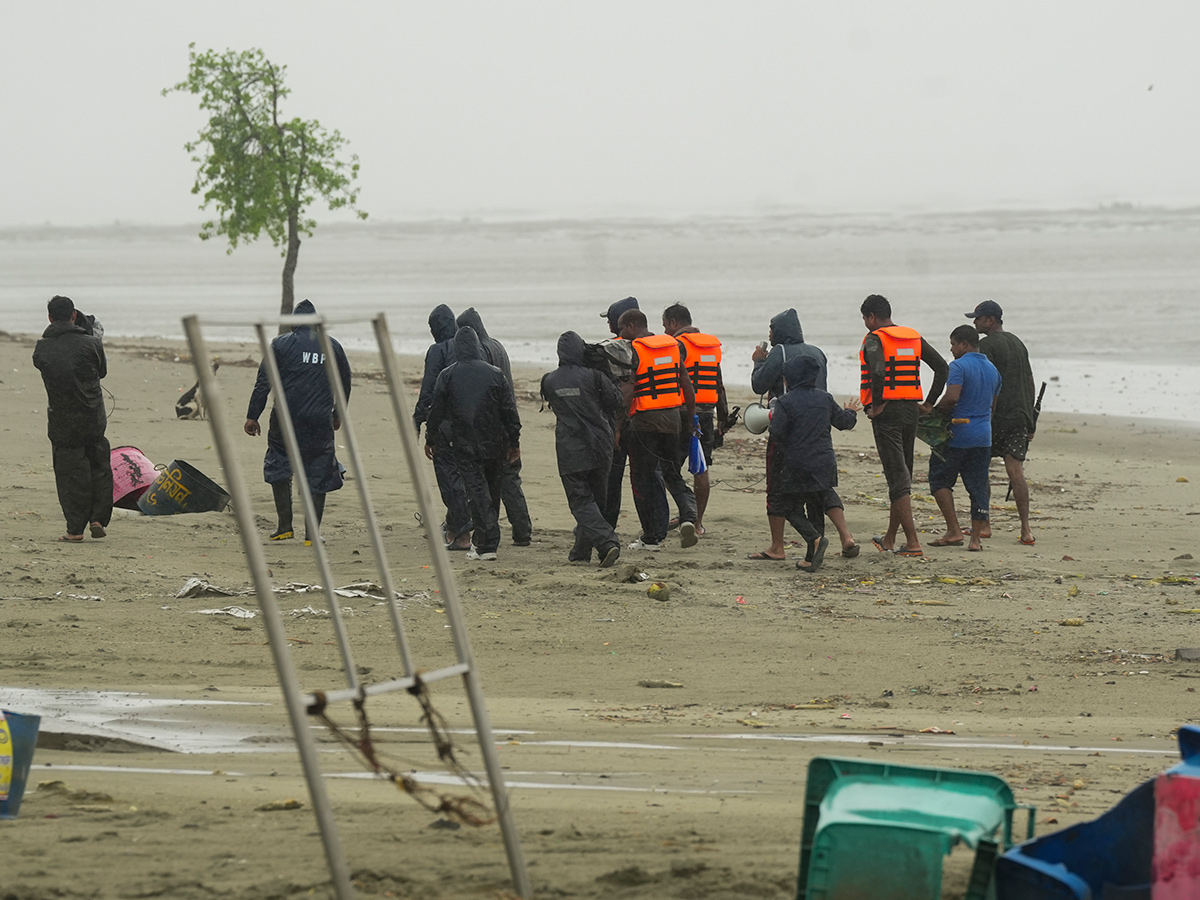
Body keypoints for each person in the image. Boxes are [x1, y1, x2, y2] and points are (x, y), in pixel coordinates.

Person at [748, 308, 859, 559]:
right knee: (821, 489)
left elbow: (758, 385)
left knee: (777, 490)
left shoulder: (780, 352)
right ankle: (845, 537)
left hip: (789, 432)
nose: (769, 333)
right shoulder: (817, 352)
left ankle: (778, 547)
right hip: (819, 429)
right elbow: (824, 391)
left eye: (771, 329)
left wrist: (758, 360)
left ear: (780, 332)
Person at [244, 299, 351, 545]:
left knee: (280, 463)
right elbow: (344, 384)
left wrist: (253, 415)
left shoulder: (280, 345)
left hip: (285, 419)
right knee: (319, 469)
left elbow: (264, 382)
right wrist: (338, 414)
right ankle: (312, 534)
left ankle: (284, 527)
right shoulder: (333, 347)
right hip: (319, 421)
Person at [859, 294, 948, 557]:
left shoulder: (875, 339)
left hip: (888, 412)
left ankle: (912, 542)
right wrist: (929, 403)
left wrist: (876, 404)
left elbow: (877, 371)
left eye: (865, 319)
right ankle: (889, 538)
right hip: (910, 408)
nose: (866, 324)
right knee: (903, 473)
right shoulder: (912, 337)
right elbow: (942, 368)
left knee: (898, 478)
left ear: (872, 317)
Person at [425, 326, 522, 561]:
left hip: (465, 443)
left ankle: (485, 545)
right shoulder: (495, 373)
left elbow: (436, 410)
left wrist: (431, 437)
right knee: (492, 491)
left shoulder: (448, 375)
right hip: (494, 443)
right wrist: (514, 441)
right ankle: (486, 542)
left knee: (477, 492)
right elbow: (509, 410)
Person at [32, 295, 113, 542]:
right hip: (93, 415)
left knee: (70, 473)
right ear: (74, 315)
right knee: (99, 465)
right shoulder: (92, 343)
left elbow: (49, 367)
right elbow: (102, 372)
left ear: (49, 318)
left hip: (62, 419)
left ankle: (75, 530)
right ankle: (98, 517)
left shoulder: (42, 348)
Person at [540, 331, 623, 567]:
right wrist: (609, 374)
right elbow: (616, 402)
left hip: (571, 449)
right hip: (600, 446)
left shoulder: (549, 381)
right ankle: (581, 551)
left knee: (581, 502)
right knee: (595, 501)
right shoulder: (595, 376)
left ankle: (607, 543)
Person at [617, 307, 698, 550]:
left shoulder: (634, 351)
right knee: (672, 474)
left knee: (642, 480)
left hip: (644, 423)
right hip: (673, 420)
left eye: (622, 329)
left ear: (632, 326)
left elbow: (630, 391)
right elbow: (687, 385)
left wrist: (618, 425)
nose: (620, 334)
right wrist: (691, 421)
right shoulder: (672, 346)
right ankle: (689, 517)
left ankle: (651, 538)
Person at [455, 308, 532, 546]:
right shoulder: (498, 346)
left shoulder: (481, 352)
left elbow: (482, 390)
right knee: (511, 480)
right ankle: (522, 531)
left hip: (492, 427)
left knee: (490, 483)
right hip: (509, 421)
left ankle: (487, 533)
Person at [926, 325, 1003, 552]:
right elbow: (993, 406)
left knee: (939, 480)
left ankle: (953, 530)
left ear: (964, 344)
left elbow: (951, 398)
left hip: (958, 433)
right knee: (978, 486)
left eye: (953, 344)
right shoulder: (992, 370)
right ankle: (976, 540)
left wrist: (934, 413)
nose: (951, 349)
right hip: (983, 435)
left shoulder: (958, 366)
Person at [969, 300, 1038, 545]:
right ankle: (1026, 529)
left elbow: (984, 379)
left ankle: (984, 525)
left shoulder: (986, 345)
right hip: (1020, 415)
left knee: (980, 468)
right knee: (1015, 470)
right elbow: (1030, 381)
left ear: (990, 319)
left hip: (995, 416)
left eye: (977, 318)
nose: (975, 322)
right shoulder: (1017, 342)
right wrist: (1030, 417)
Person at [662, 303, 728, 537]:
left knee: (667, 467)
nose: (666, 333)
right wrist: (723, 417)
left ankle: (685, 510)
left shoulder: (676, 345)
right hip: (708, 414)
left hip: (682, 414)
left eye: (665, 327)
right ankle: (697, 523)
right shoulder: (711, 345)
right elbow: (718, 384)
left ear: (673, 323)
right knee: (701, 468)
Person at [413, 304, 472, 550]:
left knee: (449, 479)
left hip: (446, 425)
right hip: (472, 422)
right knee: (467, 478)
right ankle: (459, 528)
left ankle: (461, 533)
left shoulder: (438, 350)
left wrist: (418, 421)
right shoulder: (469, 348)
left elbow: (430, 390)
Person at [596, 296, 640, 528]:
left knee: (611, 476)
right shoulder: (653, 345)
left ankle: (607, 523)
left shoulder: (610, 349)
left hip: (619, 422)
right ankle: (655, 528)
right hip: (648, 418)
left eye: (611, 320)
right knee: (648, 477)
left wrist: (616, 428)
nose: (609, 325)